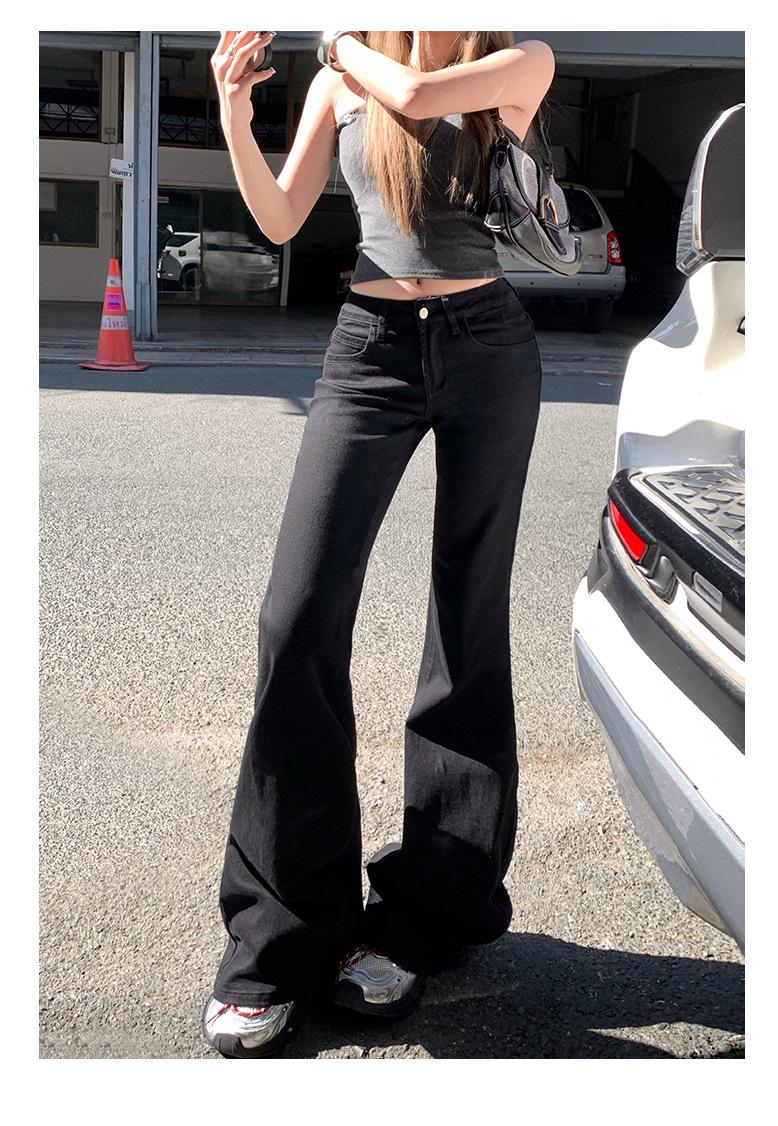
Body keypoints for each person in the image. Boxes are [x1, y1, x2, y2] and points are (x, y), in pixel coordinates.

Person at [202, 29, 554, 1059]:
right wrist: (233, 112)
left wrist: (343, 42)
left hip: (489, 346)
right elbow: (279, 218)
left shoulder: (513, 63)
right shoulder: (340, 82)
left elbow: (417, 90)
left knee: (466, 620)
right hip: (369, 352)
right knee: (297, 616)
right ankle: (279, 936)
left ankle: (427, 911)